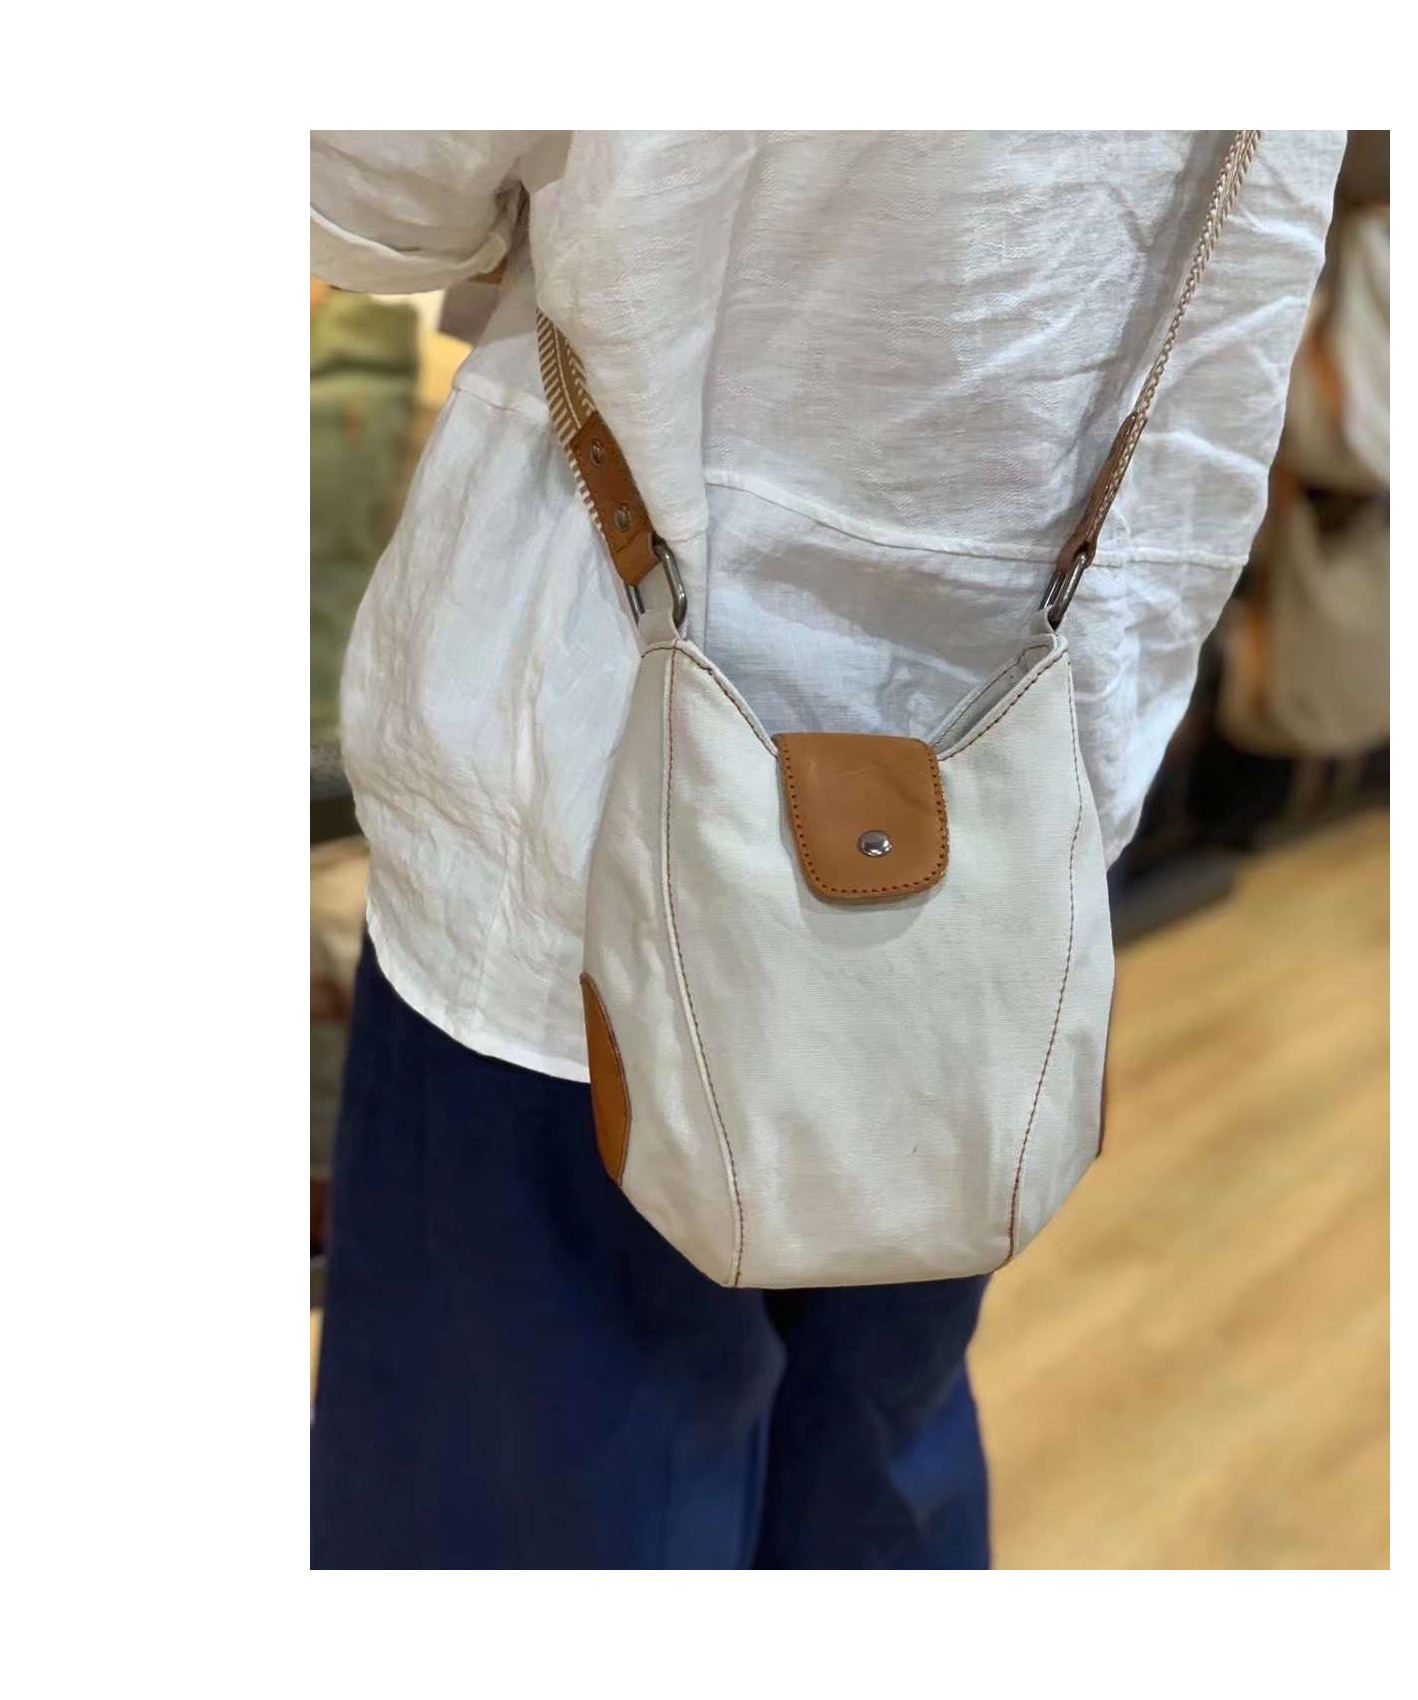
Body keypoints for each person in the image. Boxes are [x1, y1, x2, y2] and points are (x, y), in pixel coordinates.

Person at [308, 129, 1346, 1569]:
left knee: (534, 1508)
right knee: (872, 1473)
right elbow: (1222, 368)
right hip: (992, 878)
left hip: (578, 830)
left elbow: (368, 192)